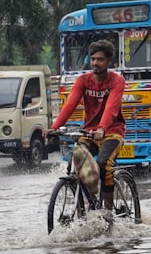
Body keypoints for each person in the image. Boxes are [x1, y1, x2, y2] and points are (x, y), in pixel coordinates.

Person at [49, 39, 125, 212]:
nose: (95, 63)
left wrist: (102, 128)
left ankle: (107, 212)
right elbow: (69, 106)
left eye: (100, 59)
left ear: (109, 62)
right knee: (79, 161)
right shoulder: (83, 80)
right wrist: (54, 127)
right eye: (93, 59)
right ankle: (89, 204)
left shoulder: (117, 81)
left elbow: (111, 109)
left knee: (104, 163)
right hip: (89, 132)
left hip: (112, 132)